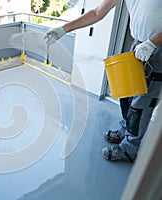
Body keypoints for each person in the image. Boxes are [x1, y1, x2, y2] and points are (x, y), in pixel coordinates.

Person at [45, 0, 162, 162]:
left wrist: (152, 43)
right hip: (138, 44)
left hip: (157, 47)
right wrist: (64, 29)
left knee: (142, 101)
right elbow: (97, 12)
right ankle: (125, 129)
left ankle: (130, 148)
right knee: (127, 93)